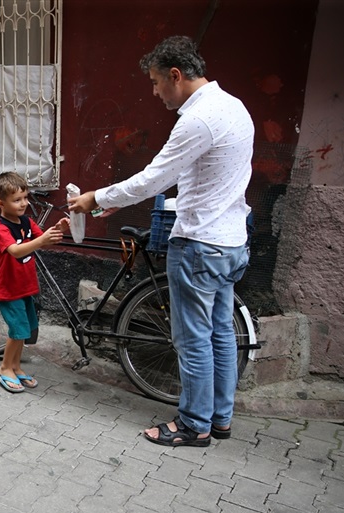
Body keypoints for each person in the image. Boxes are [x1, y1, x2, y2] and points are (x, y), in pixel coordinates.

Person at [68, 36, 253, 446]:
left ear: (176, 75)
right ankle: (219, 419)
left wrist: (97, 198)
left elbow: (154, 177)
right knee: (220, 333)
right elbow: (203, 180)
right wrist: (116, 203)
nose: (154, 92)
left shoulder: (197, 120)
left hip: (200, 245)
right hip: (230, 242)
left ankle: (193, 426)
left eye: (155, 82)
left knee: (191, 340)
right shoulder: (235, 108)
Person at [0, 172, 68, 392]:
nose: (24, 203)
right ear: (0, 203)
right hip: (9, 288)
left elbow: (42, 239)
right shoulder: (0, 228)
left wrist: (57, 230)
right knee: (18, 330)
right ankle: (4, 368)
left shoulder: (26, 221)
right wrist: (41, 240)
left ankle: (15, 366)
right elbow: (15, 251)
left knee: (27, 329)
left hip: (26, 286)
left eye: (25, 197)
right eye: (17, 200)